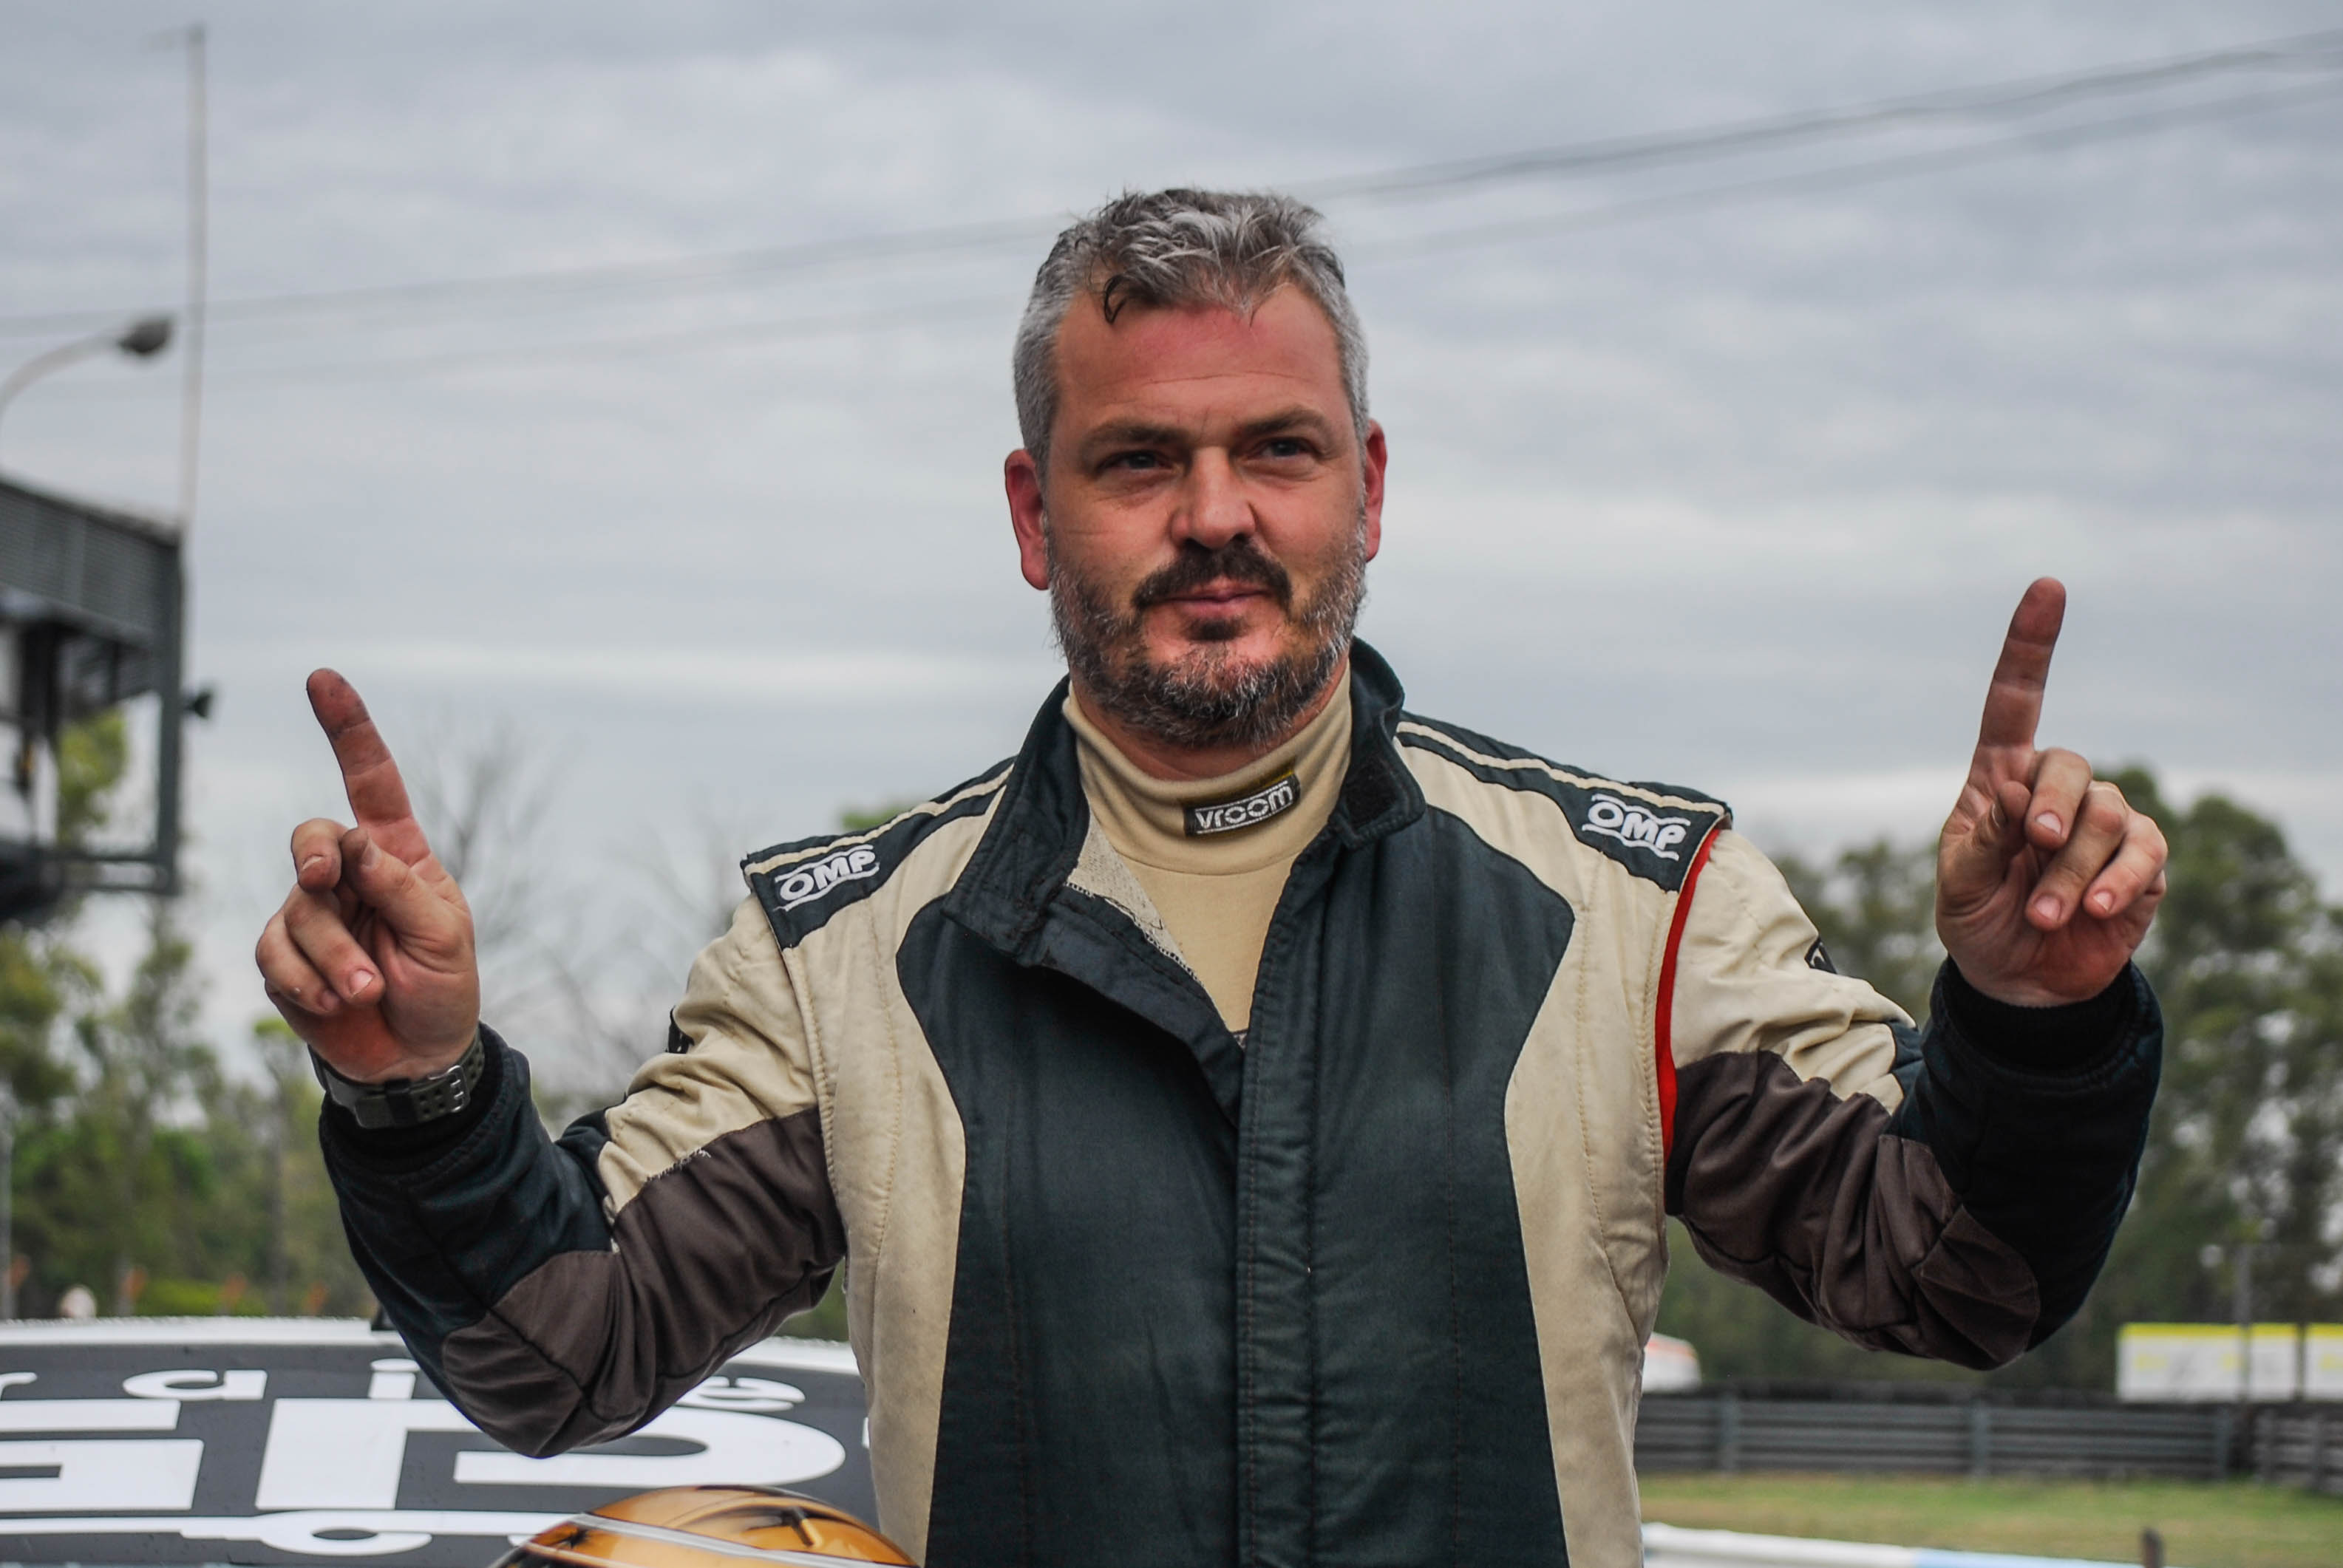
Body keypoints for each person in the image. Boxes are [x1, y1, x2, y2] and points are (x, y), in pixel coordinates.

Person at [256, 189, 2166, 1567]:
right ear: (1034, 512)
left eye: (1279, 449)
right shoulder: (841, 956)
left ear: (1369, 489)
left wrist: (2031, 1019)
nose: (1216, 515)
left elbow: (1960, 1273)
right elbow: (556, 1348)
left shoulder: (1635, 913)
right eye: (1137, 461)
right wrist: (419, 1091)